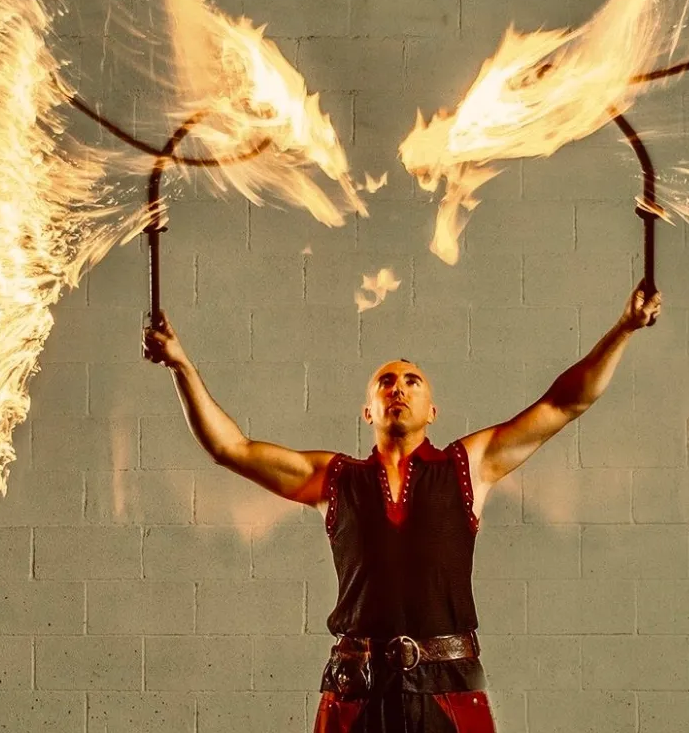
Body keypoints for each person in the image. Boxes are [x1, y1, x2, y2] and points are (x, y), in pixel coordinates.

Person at [142, 283, 662, 733]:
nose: (399, 388)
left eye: (412, 381)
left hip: (449, 690)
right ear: (367, 410)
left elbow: (564, 403)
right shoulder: (335, 478)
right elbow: (229, 448)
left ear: (432, 411)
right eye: (386, 381)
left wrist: (623, 327)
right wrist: (181, 364)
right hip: (356, 692)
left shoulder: (468, 465)